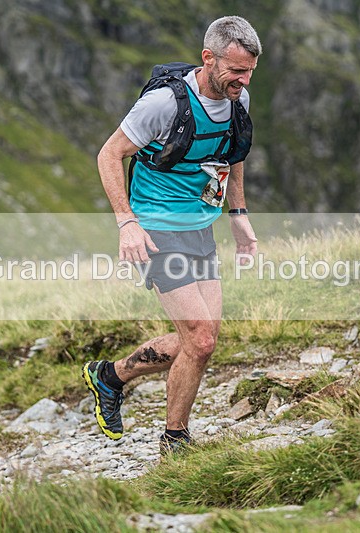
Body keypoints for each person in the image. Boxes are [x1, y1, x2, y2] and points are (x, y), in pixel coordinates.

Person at [83, 16, 261, 455]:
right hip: (156, 229)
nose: (242, 80)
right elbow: (109, 154)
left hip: (200, 228)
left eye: (250, 72)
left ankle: (111, 376)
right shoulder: (164, 104)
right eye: (235, 70)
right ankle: (175, 440)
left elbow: (233, 153)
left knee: (200, 343)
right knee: (199, 339)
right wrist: (127, 222)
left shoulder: (240, 99)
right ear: (208, 58)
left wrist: (237, 215)